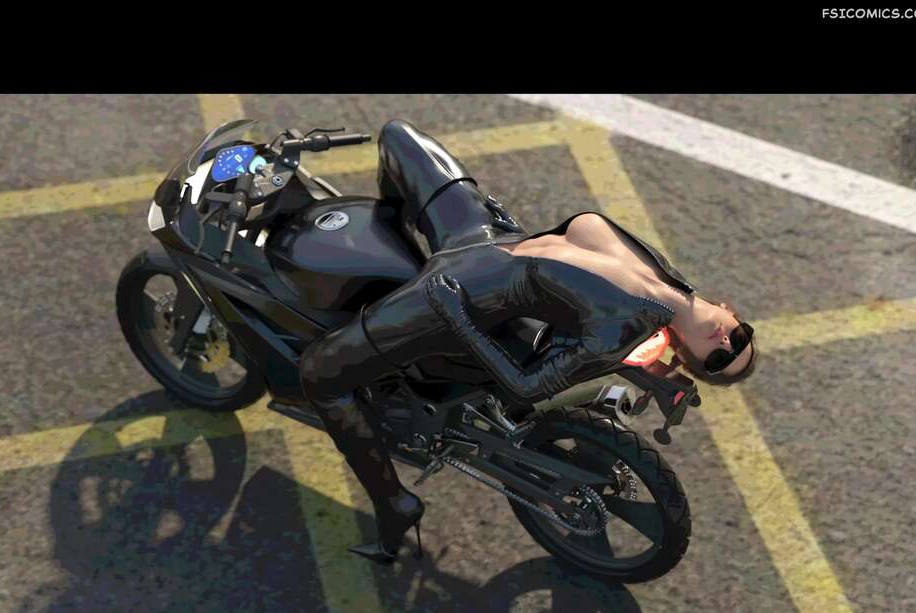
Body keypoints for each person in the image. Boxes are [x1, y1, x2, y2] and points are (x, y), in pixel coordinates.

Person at [299, 120, 757, 566]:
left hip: (460, 295)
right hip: (483, 240)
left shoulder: (623, 327)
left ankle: (393, 504)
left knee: (321, 373)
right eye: (740, 338)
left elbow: (525, 387)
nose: (725, 341)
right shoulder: (666, 275)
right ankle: (388, 241)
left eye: (719, 359)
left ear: (687, 357)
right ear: (732, 311)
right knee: (398, 137)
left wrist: (458, 316)